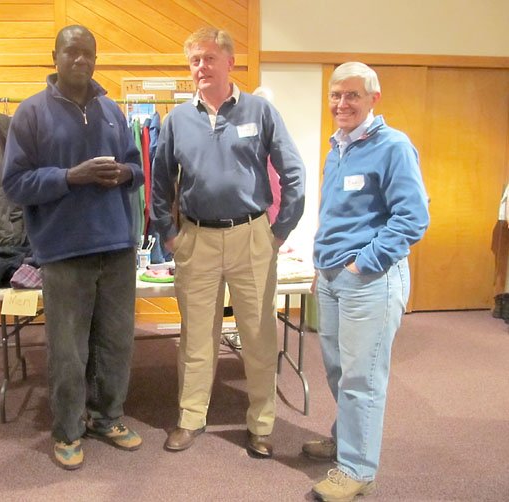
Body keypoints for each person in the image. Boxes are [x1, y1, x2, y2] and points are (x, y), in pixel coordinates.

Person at [150, 26, 306, 458]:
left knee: (257, 336)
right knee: (196, 336)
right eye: (194, 60)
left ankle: (261, 424)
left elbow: (293, 173)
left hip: (252, 236)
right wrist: (169, 234)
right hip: (196, 240)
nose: (200, 67)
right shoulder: (177, 119)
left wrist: (278, 232)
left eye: (208, 58)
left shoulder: (260, 111)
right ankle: (190, 417)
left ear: (230, 62)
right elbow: (159, 183)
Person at [2, 25, 145, 471]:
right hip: (63, 252)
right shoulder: (30, 114)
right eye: (72, 52)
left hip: (118, 246)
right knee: (68, 349)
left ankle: (107, 418)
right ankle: (67, 428)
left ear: (96, 59)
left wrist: (125, 173)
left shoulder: (112, 111)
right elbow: (14, 184)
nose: (81, 60)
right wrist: (70, 176)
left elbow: (138, 168)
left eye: (88, 53)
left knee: (117, 343)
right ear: (55, 56)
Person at [305, 62, 429, 501]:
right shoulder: (336, 148)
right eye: (336, 95)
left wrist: (365, 262)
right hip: (333, 277)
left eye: (353, 95)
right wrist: (324, 260)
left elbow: (414, 217)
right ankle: (345, 442)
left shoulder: (393, 146)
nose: (342, 103)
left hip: (370, 278)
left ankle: (357, 470)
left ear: (373, 99)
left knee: (363, 377)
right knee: (340, 371)